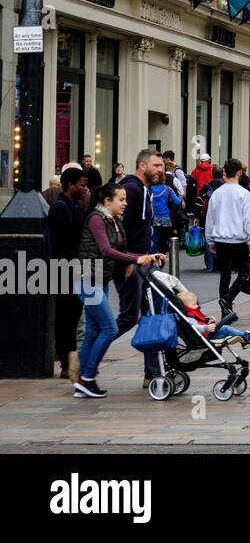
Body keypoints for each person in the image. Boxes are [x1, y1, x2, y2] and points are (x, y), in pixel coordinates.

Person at [73, 182, 167, 397]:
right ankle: (87, 377)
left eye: (126, 199)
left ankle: (82, 381)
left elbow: (119, 247)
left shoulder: (114, 220)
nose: (125, 203)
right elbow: (106, 250)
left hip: (100, 280)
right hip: (87, 280)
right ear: (107, 201)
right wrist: (137, 259)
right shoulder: (97, 219)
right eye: (121, 199)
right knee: (109, 329)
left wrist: (128, 263)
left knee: (92, 332)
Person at [117, 148, 165, 387]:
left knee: (151, 316)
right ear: (142, 166)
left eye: (161, 166)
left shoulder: (144, 189)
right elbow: (120, 227)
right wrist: (128, 260)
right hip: (132, 264)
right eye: (156, 165)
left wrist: (151, 254)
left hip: (142, 261)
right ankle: (87, 360)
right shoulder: (133, 189)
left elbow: (141, 228)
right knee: (128, 318)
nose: (161, 169)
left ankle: (153, 372)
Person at [45, 166, 89, 379]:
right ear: (70, 185)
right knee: (65, 319)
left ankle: (70, 361)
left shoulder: (75, 206)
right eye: (81, 184)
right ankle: (65, 364)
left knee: (72, 318)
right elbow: (60, 244)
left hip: (74, 270)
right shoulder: (61, 208)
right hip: (64, 272)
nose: (84, 188)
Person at [205, 158, 250, 313]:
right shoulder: (243, 193)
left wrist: (210, 241)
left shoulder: (217, 194)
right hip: (238, 240)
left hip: (220, 239)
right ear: (239, 172)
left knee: (225, 274)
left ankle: (225, 309)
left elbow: (210, 218)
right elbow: (249, 219)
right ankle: (228, 299)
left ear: (224, 173)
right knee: (244, 273)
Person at [177, 292, 250, 346]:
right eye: (193, 304)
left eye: (196, 304)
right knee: (225, 328)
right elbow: (194, 328)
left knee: (226, 328)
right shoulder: (188, 317)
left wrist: (209, 322)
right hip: (204, 339)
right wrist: (207, 328)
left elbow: (200, 322)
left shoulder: (193, 313)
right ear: (185, 307)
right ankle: (245, 337)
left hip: (206, 334)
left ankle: (243, 337)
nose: (196, 306)